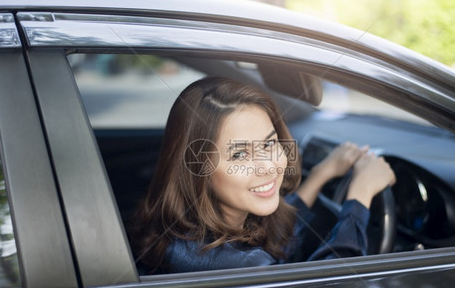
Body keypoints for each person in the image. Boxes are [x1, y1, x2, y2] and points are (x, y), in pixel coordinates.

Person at [130, 76, 395, 274]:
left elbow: (280, 239)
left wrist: (320, 175)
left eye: (269, 144)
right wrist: (360, 195)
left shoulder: (182, 232)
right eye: (240, 155)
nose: (268, 167)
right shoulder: (243, 265)